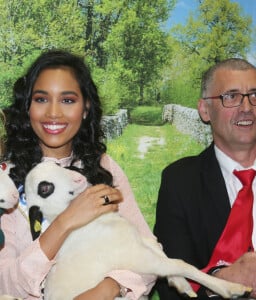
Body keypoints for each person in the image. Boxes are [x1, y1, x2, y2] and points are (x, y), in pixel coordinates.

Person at [0, 49, 156, 300]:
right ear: (27, 107)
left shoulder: (103, 168)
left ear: (85, 109)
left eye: (67, 100)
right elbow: (4, 283)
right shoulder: (5, 182)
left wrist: (107, 289)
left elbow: (147, 249)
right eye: (41, 99)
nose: (53, 113)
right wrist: (65, 222)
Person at [154, 58, 256, 299]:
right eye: (231, 96)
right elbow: (171, 284)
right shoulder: (180, 182)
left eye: (255, 95)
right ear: (204, 110)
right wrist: (223, 279)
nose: (246, 107)